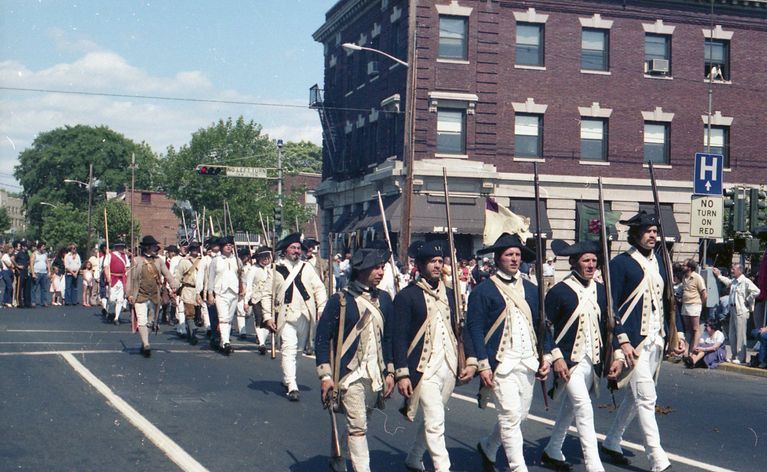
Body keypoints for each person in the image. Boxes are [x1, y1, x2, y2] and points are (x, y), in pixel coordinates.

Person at [602, 211, 684, 471]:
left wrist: (677, 333)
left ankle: (612, 440)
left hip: (655, 340)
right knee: (647, 397)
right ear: (635, 234)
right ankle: (658, 459)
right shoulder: (621, 263)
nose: (652, 235)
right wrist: (621, 341)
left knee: (635, 397)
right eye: (647, 231)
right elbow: (610, 306)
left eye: (654, 231)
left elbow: (669, 301)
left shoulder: (661, 261)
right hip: (633, 342)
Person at [464, 233, 550, 472]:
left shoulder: (532, 289)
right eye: (509, 255)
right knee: (510, 417)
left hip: (528, 361)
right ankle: (517, 467)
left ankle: (489, 447)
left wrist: (547, 357)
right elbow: (475, 328)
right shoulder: (484, 290)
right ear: (498, 258)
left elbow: (541, 325)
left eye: (517, 254)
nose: (514, 259)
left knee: (519, 416)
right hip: (501, 363)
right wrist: (483, 363)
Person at [392, 240, 476, 472]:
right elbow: (398, 337)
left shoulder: (451, 295)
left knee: (433, 418)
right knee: (436, 419)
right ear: (419, 265)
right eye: (432, 261)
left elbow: (462, 329)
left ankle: (414, 457)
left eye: (440, 261)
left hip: (448, 365)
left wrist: (470, 360)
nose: (438, 265)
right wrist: (402, 373)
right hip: (423, 368)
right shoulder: (407, 296)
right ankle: (443, 468)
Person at [315, 247, 396, 472]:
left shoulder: (385, 300)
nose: (381, 272)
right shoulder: (340, 301)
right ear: (361, 270)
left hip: (374, 373)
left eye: (382, 267)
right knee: (358, 426)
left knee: (359, 424)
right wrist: (326, 376)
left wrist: (390, 372)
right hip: (349, 374)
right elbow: (322, 339)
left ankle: (337, 454)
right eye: (376, 267)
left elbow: (388, 338)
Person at [541, 240, 606, 472]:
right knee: (583, 407)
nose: (591, 265)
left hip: (593, 360)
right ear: (573, 262)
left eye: (594, 261)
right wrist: (555, 357)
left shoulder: (600, 290)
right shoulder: (559, 291)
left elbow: (609, 323)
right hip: (569, 361)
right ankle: (594, 465)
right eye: (586, 260)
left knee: (570, 407)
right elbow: (544, 328)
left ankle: (553, 448)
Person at [261, 233, 327, 401]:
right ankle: (292, 385)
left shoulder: (307, 268)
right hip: (285, 315)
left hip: (305, 314)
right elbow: (267, 295)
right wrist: (268, 317)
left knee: (298, 352)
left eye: (298, 248)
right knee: (289, 349)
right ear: (285, 250)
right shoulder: (275, 269)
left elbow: (319, 288)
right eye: (293, 248)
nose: (297, 251)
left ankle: (286, 378)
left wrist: (321, 307)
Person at [126, 235, 178, 357]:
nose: (156, 248)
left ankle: (144, 341)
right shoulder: (136, 260)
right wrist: (129, 293)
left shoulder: (159, 261)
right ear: (147, 247)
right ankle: (146, 344)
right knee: (142, 320)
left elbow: (167, 274)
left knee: (151, 321)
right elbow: (130, 279)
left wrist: (174, 284)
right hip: (140, 295)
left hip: (155, 295)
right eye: (154, 246)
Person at [713, 263, 760, 364]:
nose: (732, 270)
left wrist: (747, 299)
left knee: (740, 335)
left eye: (734, 269)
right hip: (733, 310)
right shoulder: (734, 281)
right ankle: (734, 355)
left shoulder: (745, 281)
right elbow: (728, 282)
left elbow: (757, 291)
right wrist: (719, 276)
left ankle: (741, 357)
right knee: (732, 334)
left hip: (741, 311)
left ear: (740, 270)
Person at [206, 235, 243, 355]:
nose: (229, 247)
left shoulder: (237, 260)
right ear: (221, 247)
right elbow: (210, 279)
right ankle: (227, 342)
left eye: (231, 245)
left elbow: (243, 276)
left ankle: (222, 342)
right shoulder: (216, 260)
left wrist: (243, 288)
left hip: (234, 292)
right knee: (222, 318)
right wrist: (210, 294)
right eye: (226, 245)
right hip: (220, 293)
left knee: (229, 319)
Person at [174, 242, 203, 345]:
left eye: (197, 248)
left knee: (199, 313)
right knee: (190, 312)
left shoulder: (202, 261)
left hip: (200, 290)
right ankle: (192, 334)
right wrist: (174, 288)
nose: (195, 250)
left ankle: (192, 331)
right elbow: (178, 276)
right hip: (188, 289)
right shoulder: (184, 262)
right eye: (193, 248)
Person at [680, 259, 707, 356]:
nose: (683, 267)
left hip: (694, 305)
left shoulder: (697, 277)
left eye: (684, 265)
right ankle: (686, 350)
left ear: (690, 268)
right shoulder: (684, 277)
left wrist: (700, 304)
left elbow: (704, 293)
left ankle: (693, 350)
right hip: (685, 304)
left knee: (696, 328)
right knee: (688, 329)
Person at [250, 246, 273, 354]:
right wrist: (246, 301)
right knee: (259, 318)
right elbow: (248, 285)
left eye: (267, 257)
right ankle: (262, 343)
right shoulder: (253, 269)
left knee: (268, 320)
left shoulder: (272, 269)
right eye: (263, 257)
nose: (265, 259)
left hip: (270, 298)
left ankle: (263, 339)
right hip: (257, 297)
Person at [104, 241, 130, 325]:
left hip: (122, 279)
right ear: (117, 247)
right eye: (121, 247)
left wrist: (127, 275)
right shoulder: (109, 255)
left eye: (123, 247)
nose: (123, 249)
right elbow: (106, 267)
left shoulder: (125, 256)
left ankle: (116, 317)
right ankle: (108, 311)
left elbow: (127, 267)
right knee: (112, 299)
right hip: (113, 278)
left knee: (120, 299)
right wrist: (108, 278)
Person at [235, 247, 255, 340]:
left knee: (248, 313)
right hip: (239, 289)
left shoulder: (251, 267)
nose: (244, 258)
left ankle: (244, 328)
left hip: (250, 290)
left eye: (245, 256)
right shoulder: (237, 265)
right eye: (242, 256)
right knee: (240, 311)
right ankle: (242, 332)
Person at [30, 241, 51, 307]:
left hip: (44, 273)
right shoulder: (34, 254)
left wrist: (49, 271)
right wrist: (33, 273)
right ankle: (33, 301)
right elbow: (31, 264)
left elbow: (47, 263)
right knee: (34, 288)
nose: (44, 248)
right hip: (37, 273)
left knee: (44, 288)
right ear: (39, 247)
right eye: (43, 246)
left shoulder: (45, 254)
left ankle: (44, 302)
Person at [11, 240, 32, 308]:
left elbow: (28, 261)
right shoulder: (19, 253)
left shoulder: (26, 253)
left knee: (27, 288)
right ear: (23, 247)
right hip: (20, 272)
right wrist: (17, 266)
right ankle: (19, 302)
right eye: (26, 246)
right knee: (19, 288)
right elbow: (12, 259)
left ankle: (27, 303)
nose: (27, 247)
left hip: (26, 271)